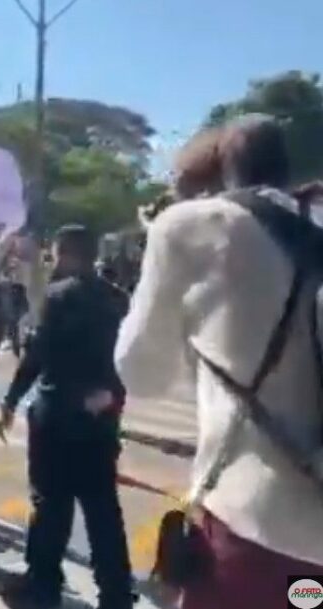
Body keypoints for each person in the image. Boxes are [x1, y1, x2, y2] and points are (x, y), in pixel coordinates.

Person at [116, 115, 323, 609]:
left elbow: (140, 373)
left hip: (251, 530)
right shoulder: (312, 228)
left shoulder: (191, 226)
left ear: (221, 169)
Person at [0, 224, 134, 609]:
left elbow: (38, 356)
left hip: (56, 415)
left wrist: (11, 400)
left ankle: (43, 586)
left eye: (56, 253)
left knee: (51, 505)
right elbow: (129, 361)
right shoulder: (119, 300)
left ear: (68, 254)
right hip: (101, 418)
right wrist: (111, 395)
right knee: (103, 510)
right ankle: (116, 594)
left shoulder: (57, 297)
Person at [0, 268, 29, 361]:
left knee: (14, 337)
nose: (6, 280)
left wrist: (20, 315)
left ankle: (18, 356)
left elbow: (24, 303)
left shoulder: (19, 288)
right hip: (1, 316)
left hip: (12, 316)